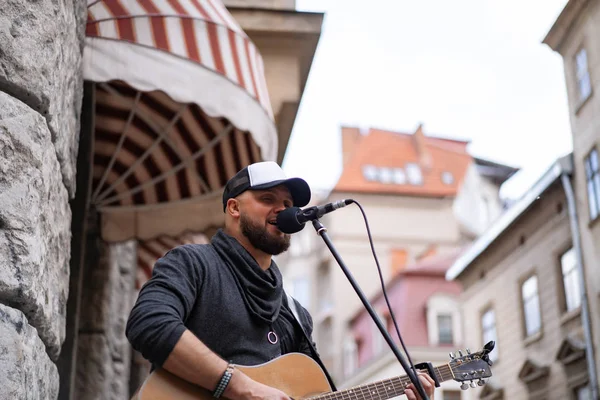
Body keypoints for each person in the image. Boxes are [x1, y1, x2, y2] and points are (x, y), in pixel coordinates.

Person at [126, 161, 435, 400]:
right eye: (267, 198)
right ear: (233, 208)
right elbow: (149, 323)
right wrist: (238, 386)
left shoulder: (296, 316)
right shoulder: (192, 263)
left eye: (288, 205)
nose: (284, 210)